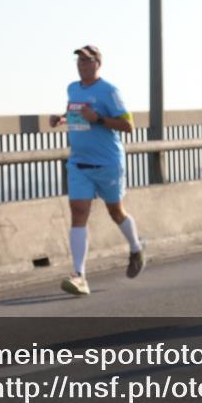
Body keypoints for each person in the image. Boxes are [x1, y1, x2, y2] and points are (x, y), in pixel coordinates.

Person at [49, 45, 145, 296]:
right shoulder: (73, 88)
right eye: (78, 60)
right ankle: (79, 275)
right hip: (79, 163)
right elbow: (76, 114)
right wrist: (61, 119)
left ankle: (136, 248)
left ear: (97, 63)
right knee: (78, 212)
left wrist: (98, 119)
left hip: (108, 164)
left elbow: (128, 125)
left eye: (86, 60)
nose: (81, 64)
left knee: (116, 211)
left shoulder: (109, 91)